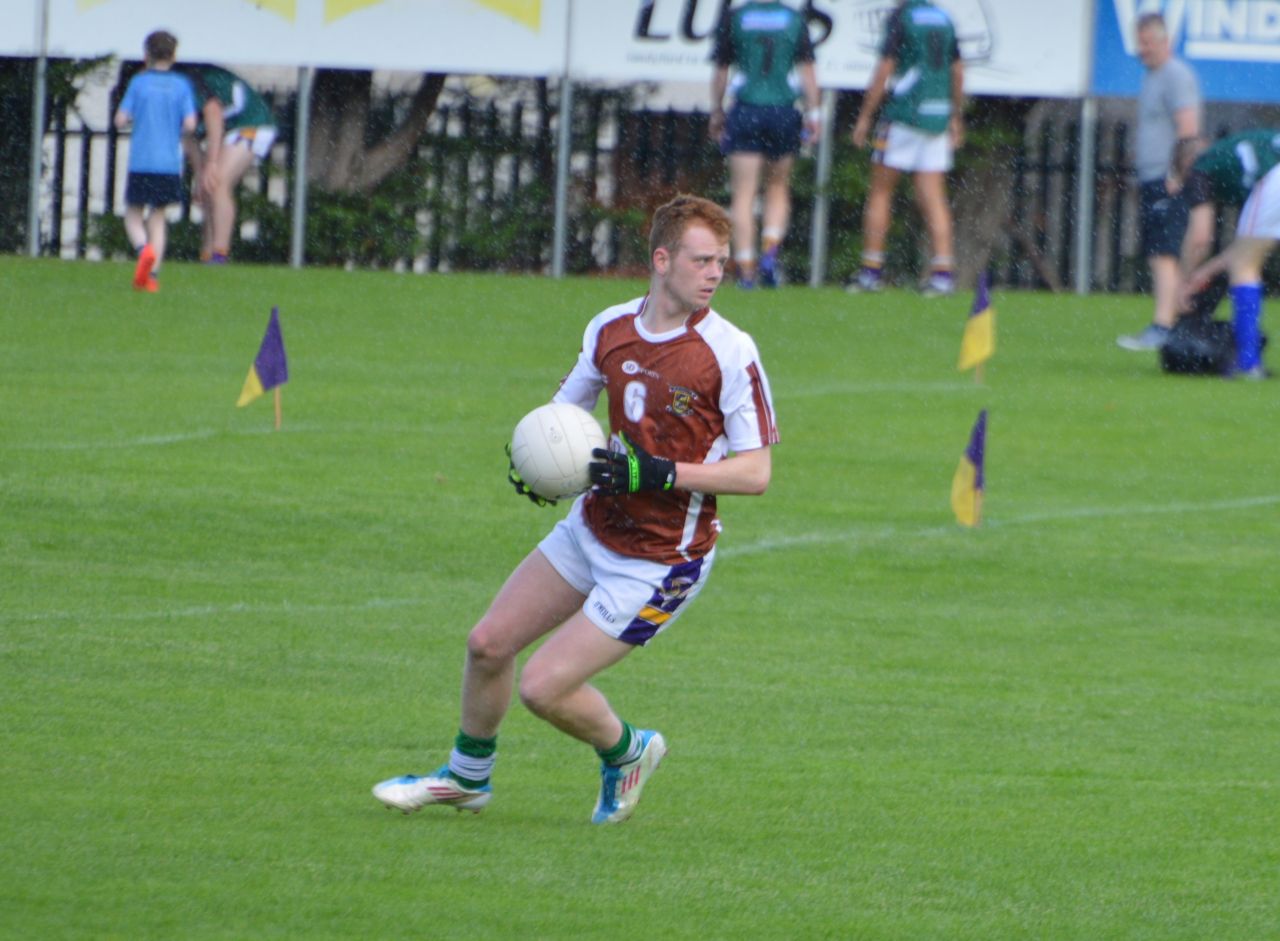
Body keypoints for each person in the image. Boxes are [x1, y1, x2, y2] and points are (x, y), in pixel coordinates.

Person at [372, 195, 779, 825]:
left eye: (722, 261)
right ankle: (466, 778)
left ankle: (629, 751)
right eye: (702, 260)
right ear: (662, 259)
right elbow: (563, 417)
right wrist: (541, 462)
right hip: (591, 528)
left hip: (662, 560)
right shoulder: (610, 328)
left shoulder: (729, 351)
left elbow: (756, 473)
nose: (715, 272)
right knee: (487, 644)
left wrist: (658, 471)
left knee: (543, 688)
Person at [848, 0, 964, 297]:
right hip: (936, 113)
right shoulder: (943, 18)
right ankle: (943, 273)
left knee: (881, 190)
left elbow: (885, 68)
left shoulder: (903, 17)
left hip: (904, 114)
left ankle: (871, 271)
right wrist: (954, 114)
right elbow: (957, 69)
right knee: (934, 196)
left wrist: (865, 116)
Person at [710, 1, 821, 289]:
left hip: (747, 108)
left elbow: (721, 71)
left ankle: (746, 268)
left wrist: (716, 110)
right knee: (777, 187)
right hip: (783, 110)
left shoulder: (737, 18)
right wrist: (814, 113)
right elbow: (808, 72)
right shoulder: (793, 19)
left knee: (743, 193)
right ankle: (770, 252)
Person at [1117, 11, 1202, 351]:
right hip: (1153, 177)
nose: (1142, 49)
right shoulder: (1152, 77)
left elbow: (1189, 129)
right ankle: (1176, 326)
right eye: (1139, 42)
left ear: (1165, 41)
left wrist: (1175, 173)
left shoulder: (1175, 76)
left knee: (1163, 253)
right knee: (1159, 251)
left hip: (1169, 181)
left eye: (1148, 42)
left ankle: (1164, 326)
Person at [1181, 139, 1280, 379]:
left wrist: (1183, 284)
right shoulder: (1236, 153)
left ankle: (1248, 363)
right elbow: (1250, 245)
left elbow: (1201, 238)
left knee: (1245, 268)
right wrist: (1207, 272)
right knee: (1246, 260)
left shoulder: (1200, 167)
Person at [112, 31, 197, 293]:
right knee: (158, 218)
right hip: (168, 164)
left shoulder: (140, 83)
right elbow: (191, 124)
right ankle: (153, 276)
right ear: (173, 55)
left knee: (133, 214)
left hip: (142, 161)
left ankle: (142, 249)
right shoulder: (181, 85)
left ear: (146, 54)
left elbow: (120, 119)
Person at [175, 64, 278, 263]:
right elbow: (188, 136)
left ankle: (220, 254)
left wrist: (212, 163)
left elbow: (213, 112)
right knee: (208, 187)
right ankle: (207, 254)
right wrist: (199, 174)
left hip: (251, 124)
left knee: (218, 184)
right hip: (231, 130)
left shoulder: (184, 80)